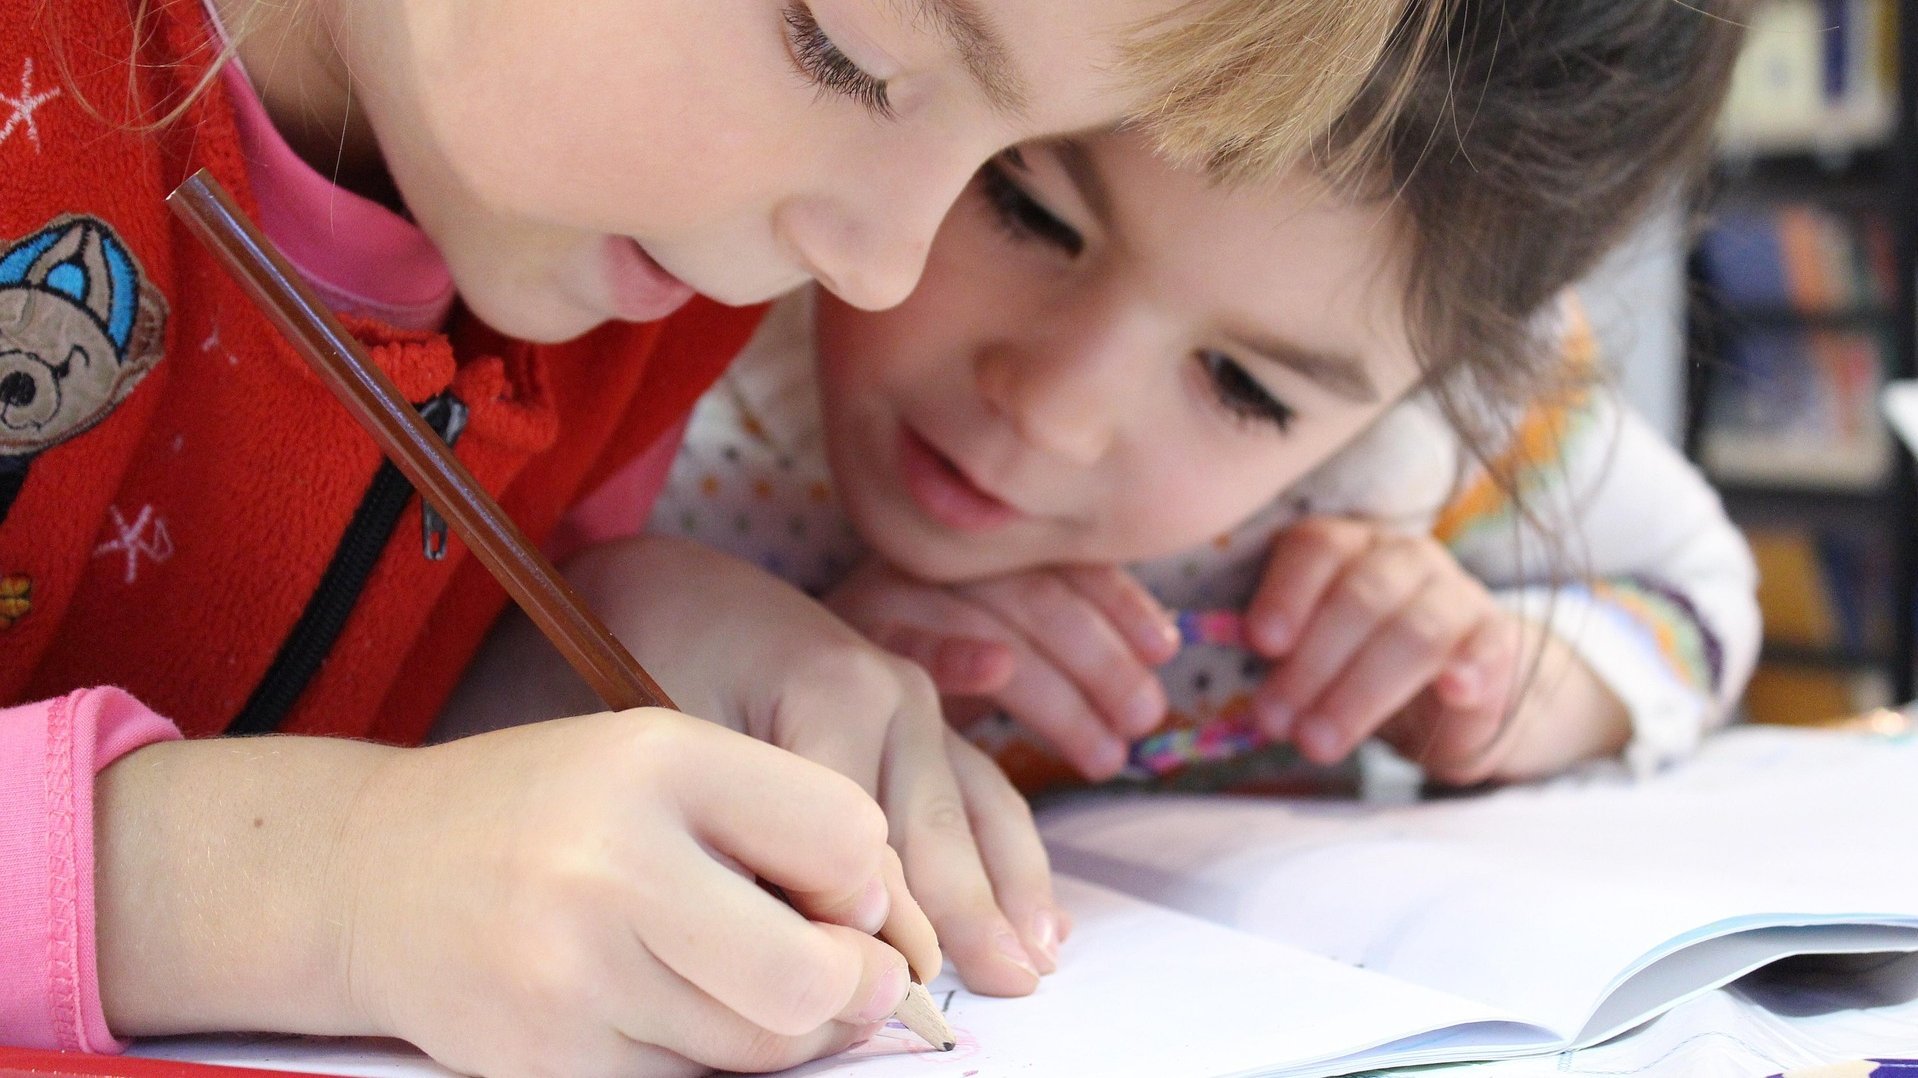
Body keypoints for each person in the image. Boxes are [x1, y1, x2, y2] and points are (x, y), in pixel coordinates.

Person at [0, 0, 1429, 1074]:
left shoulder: (633, 279)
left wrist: (593, 642)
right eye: (844, 52)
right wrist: (336, 884)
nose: (879, 265)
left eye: (998, 153)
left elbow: (332, 688)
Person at [613, 0, 1760, 798]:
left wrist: (1519, 679)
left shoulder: (1426, 449)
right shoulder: (672, 308)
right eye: (1030, 214)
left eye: (1244, 389)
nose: (1054, 412)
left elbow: (1700, 593)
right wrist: (711, 661)